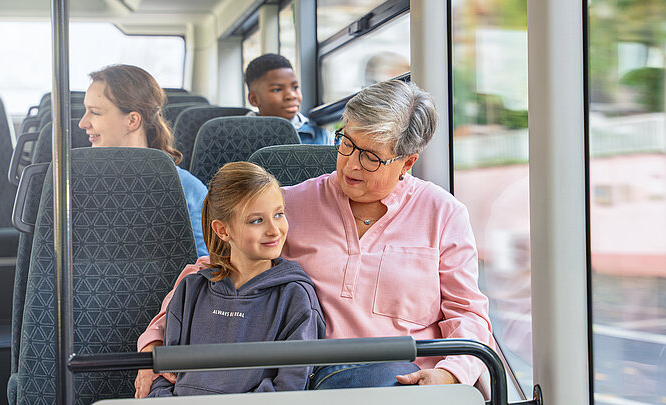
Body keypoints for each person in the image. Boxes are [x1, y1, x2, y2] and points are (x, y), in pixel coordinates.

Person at [135, 80, 494, 396]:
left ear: (407, 162)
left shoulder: (444, 214)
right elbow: (213, 266)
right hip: (313, 377)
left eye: (370, 158)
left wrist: (450, 373)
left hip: (407, 380)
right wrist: (155, 347)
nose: (351, 164)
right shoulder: (288, 205)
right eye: (347, 144)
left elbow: (469, 315)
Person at [146, 161, 325, 396]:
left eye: (279, 214)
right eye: (257, 221)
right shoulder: (191, 289)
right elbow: (165, 375)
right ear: (223, 230)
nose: (274, 230)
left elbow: (289, 385)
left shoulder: (295, 296)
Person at [79, 64, 209, 257]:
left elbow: (204, 269)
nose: (83, 123)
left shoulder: (186, 189)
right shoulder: (75, 185)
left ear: (132, 120)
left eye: (95, 112)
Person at [244, 53, 331, 145]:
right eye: (277, 89)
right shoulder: (239, 136)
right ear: (254, 99)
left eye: (295, 87)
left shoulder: (322, 137)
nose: (291, 96)